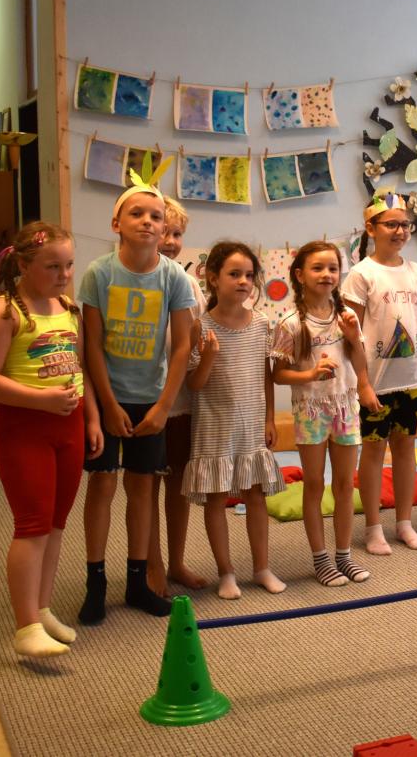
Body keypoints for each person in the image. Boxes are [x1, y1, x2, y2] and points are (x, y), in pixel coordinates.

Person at [0, 222, 103, 657]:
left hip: (68, 429)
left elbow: (78, 369)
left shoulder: (67, 308)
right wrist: (40, 400)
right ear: (23, 265)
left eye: (69, 265)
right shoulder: (6, 312)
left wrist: (91, 419)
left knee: (56, 524)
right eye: (52, 267)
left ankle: (42, 609)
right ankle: (25, 625)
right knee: (32, 526)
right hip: (25, 430)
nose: (64, 275)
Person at [77, 171, 195, 624]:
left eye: (156, 217)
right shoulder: (99, 273)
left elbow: (182, 346)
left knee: (142, 488)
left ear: (164, 228)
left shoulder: (173, 278)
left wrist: (164, 406)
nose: (148, 222)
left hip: (151, 401)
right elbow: (91, 345)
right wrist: (107, 406)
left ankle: (136, 580)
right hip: (109, 397)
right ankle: (96, 582)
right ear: (116, 223)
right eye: (137, 214)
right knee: (103, 486)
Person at [272, 241, 378, 586]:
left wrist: (353, 338)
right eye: (317, 268)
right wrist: (310, 374)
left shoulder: (347, 317)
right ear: (300, 275)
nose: (327, 274)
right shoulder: (290, 323)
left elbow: (359, 361)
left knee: (346, 484)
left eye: (333, 268)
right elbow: (278, 374)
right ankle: (321, 559)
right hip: (311, 410)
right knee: (315, 483)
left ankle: (344, 556)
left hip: (345, 407)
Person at [184, 241, 286, 599]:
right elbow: (194, 384)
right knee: (215, 499)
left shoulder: (261, 323)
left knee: (255, 495)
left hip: (251, 425)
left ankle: (262, 568)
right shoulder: (201, 326)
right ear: (213, 278)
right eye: (234, 274)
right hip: (214, 427)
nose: (243, 281)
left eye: (248, 275)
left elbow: (265, 376)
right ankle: (226, 572)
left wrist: (270, 418)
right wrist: (209, 356)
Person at [343, 192, 417, 555]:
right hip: (376, 385)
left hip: (411, 382)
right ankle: (373, 527)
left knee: (405, 450)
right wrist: (362, 383)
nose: (400, 231)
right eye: (391, 224)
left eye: (405, 225)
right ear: (371, 228)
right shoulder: (361, 274)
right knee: (372, 452)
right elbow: (350, 335)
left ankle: (404, 522)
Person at [146, 194, 208, 596]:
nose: (170, 241)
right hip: (146, 400)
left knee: (178, 486)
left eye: (177, 234)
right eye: (164, 232)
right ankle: (151, 565)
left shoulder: (187, 282)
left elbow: (198, 334)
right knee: (147, 488)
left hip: (182, 401)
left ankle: (177, 561)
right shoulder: (134, 279)